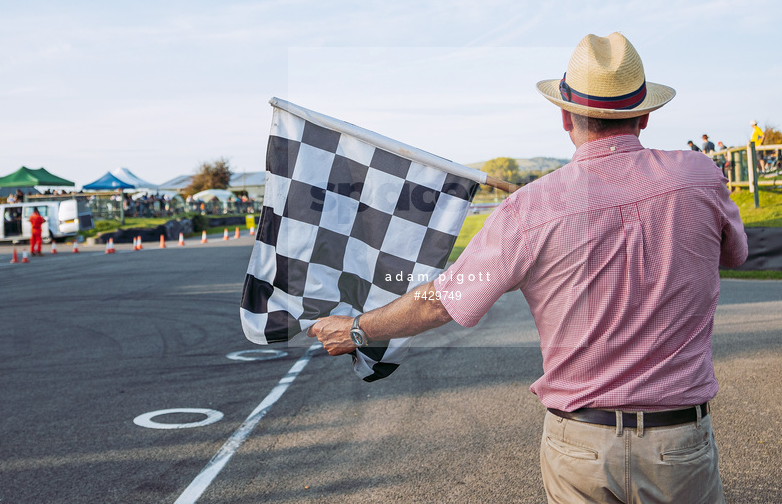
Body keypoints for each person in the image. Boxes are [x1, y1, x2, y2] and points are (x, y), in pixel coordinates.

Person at [310, 32, 749, 503]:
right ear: (643, 115)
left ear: (564, 116)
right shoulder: (700, 176)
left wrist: (359, 328)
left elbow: (442, 300)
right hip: (678, 440)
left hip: (581, 443)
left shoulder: (530, 208)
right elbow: (734, 254)